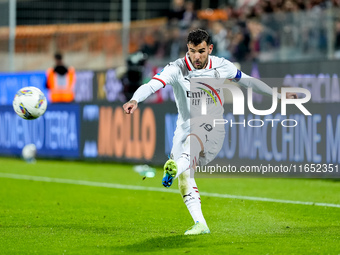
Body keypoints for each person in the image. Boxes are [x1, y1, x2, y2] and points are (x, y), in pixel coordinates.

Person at [123, 29, 297, 235]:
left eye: (201, 51)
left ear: (210, 49)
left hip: (211, 125)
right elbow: (153, 84)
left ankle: (174, 167)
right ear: (187, 49)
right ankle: (200, 223)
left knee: (193, 142)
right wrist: (135, 99)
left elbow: (248, 81)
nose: (196, 56)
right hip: (184, 127)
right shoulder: (177, 68)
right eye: (192, 51)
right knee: (185, 178)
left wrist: (276, 93)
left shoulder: (222, 66)